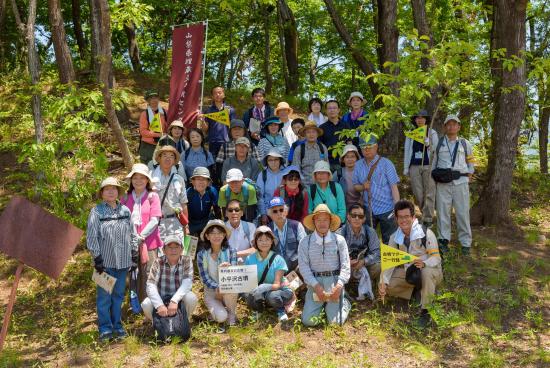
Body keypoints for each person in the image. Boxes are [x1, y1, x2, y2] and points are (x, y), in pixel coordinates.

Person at [87, 177, 137, 341]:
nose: (110, 191)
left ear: (118, 192)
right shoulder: (96, 212)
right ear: (102, 193)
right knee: (104, 298)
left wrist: (134, 253)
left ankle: (117, 326)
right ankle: (105, 329)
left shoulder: (125, 211)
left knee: (118, 296)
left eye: (114, 188)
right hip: (104, 264)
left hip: (123, 263)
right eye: (107, 189)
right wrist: (97, 258)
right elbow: (92, 236)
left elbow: (132, 234)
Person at [379, 200, 442, 328]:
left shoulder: (426, 233)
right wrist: (383, 281)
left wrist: (424, 263)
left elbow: (436, 258)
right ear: (396, 219)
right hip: (410, 274)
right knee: (388, 285)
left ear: (413, 217)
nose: (404, 220)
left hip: (431, 271)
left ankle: (426, 311)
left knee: (426, 272)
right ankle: (416, 292)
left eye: (407, 216)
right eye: (400, 217)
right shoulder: (394, 238)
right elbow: (390, 261)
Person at [299, 204, 351, 326]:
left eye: (325, 220)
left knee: (335, 323)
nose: (322, 223)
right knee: (308, 321)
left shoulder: (339, 240)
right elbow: (304, 267)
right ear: (314, 221)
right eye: (318, 219)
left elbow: (345, 265)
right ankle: (321, 307)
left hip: (334, 281)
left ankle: (345, 303)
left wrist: (339, 286)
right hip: (314, 283)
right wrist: (316, 285)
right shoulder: (305, 242)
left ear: (330, 221)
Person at [432, 115, 475, 256]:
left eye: (454, 124)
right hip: (443, 184)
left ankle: (465, 243)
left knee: (463, 213)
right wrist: (434, 177)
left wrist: (469, 175)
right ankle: (443, 240)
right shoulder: (439, 144)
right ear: (445, 127)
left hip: (461, 183)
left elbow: (471, 162)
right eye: (448, 124)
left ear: (459, 127)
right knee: (443, 212)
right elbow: (434, 163)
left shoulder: (465, 143)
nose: (451, 127)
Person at [121, 163, 163, 302]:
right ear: (131, 180)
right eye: (135, 177)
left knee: (149, 272)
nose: (138, 181)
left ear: (147, 180)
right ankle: (137, 303)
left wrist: (141, 236)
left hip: (149, 242)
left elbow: (155, 219)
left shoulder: (153, 196)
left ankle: (150, 304)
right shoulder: (126, 198)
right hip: (129, 242)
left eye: (142, 178)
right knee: (133, 272)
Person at [353, 135, 400, 244]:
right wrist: (363, 187)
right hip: (368, 208)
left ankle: (388, 260)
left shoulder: (386, 164)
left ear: (376, 147)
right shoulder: (358, 165)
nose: (367, 149)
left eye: (370, 146)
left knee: (390, 241)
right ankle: (372, 259)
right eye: (363, 147)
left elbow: (394, 187)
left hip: (387, 209)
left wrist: (396, 208)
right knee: (368, 240)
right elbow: (356, 186)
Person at [141, 235, 198, 324]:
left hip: (179, 299)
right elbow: (150, 285)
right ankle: (159, 324)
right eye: (170, 247)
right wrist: (159, 305)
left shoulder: (186, 260)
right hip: (162, 298)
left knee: (192, 298)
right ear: (163, 250)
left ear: (181, 249)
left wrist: (174, 300)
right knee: (146, 304)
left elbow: (187, 283)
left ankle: (183, 322)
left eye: (176, 247)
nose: (173, 250)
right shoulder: (158, 262)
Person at [245, 226, 295, 322]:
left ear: (272, 241)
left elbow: (277, 285)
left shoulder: (278, 259)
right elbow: (249, 282)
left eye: (267, 239)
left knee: (272, 296)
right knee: (248, 294)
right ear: (256, 242)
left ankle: (280, 311)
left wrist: (265, 287)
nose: (264, 242)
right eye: (260, 240)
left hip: (280, 290)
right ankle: (258, 310)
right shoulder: (249, 259)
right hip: (261, 290)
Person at [197, 220, 239, 327]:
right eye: (213, 233)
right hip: (211, 292)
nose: (217, 236)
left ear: (224, 235)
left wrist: (227, 270)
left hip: (228, 289)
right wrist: (217, 287)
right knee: (221, 317)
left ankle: (232, 314)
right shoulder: (202, 254)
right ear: (207, 236)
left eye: (220, 233)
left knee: (232, 290)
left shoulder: (231, 251)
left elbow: (234, 275)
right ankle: (218, 312)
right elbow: (204, 278)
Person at [336, 204, 381, 298]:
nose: (357, 218)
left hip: (362, 266)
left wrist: (364, 261)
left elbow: (377, 253)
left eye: (360, 216)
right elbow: (333, 256)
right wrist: (346, 262)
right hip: (345, 267)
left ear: (364, 219)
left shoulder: (370, 232)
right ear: (348, 217)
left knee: (378, 266)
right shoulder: (340, 233)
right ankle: (345, 285)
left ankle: (360, 283)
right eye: (354, 215)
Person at [404, 110, 439, 227]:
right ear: (414, 120)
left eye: (422, 118)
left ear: (426, 119)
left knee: (429, 192)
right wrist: (405, 168)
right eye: (417, 118)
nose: (419, 120)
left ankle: (428, 219)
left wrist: (429, 144)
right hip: (414, 165)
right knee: (418, 192)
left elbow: (436, 150)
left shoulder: (432, 133)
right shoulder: (411, 133)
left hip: (428, 166)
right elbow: (407, 151)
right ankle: (424, 213)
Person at [150, 145, 189, 240]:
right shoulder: (150, 178)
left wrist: (186, 226)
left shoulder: (179, 179)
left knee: (176, 252)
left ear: (174, 160)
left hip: (176, 222)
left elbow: (183, 203)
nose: (168, 158)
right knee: (159, 253)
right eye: (164, 155)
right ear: (159, 158)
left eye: (171, 156)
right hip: (156, 222)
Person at [215, 119, 261, 187]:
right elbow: (219, 165)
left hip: (249, 181)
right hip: (230, 182)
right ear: (230, 132)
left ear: (244, 131)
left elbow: (258, 164)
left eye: (239, 129)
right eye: (234, 129)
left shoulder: (251, 146)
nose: (237, 131)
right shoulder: (225, 146)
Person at [267, 197, 307, 272]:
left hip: (296, 270)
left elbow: (305, 247)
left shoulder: (297, 225)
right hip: (276, 271)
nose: (279, 213)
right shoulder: (267, 230)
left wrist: (302, 264)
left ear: (286, 212)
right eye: (275, 211)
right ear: (270, 215)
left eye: (281, 210)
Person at [200, 86, 236, 158]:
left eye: (220, 93)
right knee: (213, 166)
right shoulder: (208, 110)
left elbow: (234, 127)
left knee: (226, 165)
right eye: (215, 93)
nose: (218, 95)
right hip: (212, 142)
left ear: (224, 94)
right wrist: (202, 121)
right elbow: (204, 129)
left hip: (226, 141)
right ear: (212, 96)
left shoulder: (230, 110)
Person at [292, 121, 329, 186]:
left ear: (317, 134)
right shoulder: (299, 149)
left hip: (321, 186)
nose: (311, 134)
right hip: (305, 186)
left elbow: (327, 167)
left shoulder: (322, 148)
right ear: (305, 134)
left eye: (313, 132)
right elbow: (296, 170)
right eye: (308, 132)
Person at [319, 100, 352, 172]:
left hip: (343, 163)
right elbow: (320, 147)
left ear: (338, 110)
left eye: (334, 108)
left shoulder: (346, 125)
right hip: (328, 163)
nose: (332, 110)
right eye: (329, 108)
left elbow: (350, 143)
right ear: (326, 111)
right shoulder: (321, 128)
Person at [187, 167, 219, 236]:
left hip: (206, 221)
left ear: (208, 182)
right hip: (191, 223)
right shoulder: (188, 193)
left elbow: (217, 210)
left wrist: (218, 224)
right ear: (193, 181)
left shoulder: (212, 191)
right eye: (198, 179)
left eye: (204, 179)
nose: (201, 182)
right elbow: (184, 212)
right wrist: (186, 226)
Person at [257, 150, 286, 225]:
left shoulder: (286, 173)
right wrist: (263, 214)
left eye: (276, 159)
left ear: (280, 160)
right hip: (268, 213)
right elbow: (260, 196)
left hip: (284, 212)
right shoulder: (263, 175)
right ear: (267, 162)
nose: (273, 162)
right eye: (270, 160)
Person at [139, 89, 168, 163]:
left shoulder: (164, 112)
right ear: (148, 100)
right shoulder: (144, 114)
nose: (154, 100)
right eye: (152, 98)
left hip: (162, 144)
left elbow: (168, 126)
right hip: (148, 146)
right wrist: (158, 135)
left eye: (156, 97)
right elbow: (143, 132)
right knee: (148, 167)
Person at [334, 144, 362, 210]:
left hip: (360, 207)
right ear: (343, 159)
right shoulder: (338, 173)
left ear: (357, 159)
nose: (350, 159)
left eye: (352, 157)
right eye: (347, 157)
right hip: (342, 208)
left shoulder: (362, 173)